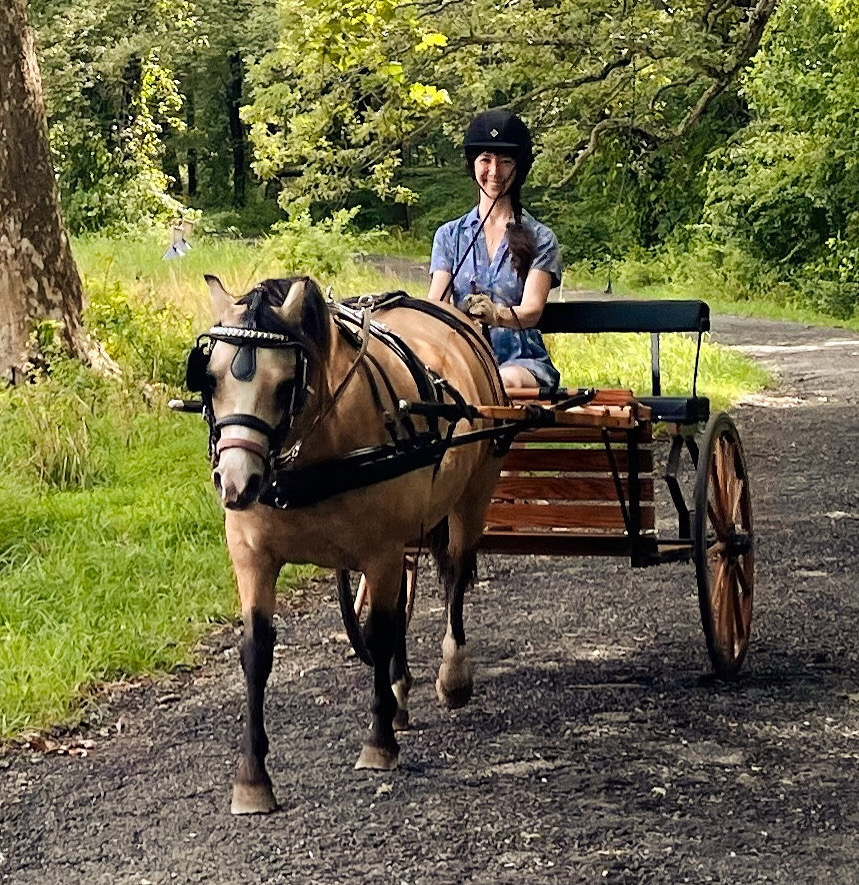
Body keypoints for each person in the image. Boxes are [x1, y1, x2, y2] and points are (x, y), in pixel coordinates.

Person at [428, 109, 562, 391]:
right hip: (461, 359)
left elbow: (532, 312)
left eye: (505, 161)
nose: (494, 172)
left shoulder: (541, 238)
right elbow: (436, 303)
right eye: (485, 160)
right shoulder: (449, 236)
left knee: (500, 383)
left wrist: (496, 315)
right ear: (473, 164)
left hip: (521, 362)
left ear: (519, 167)